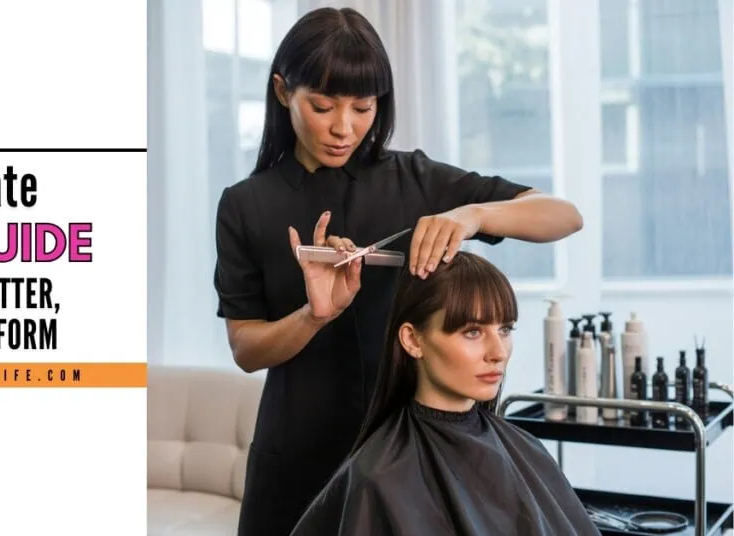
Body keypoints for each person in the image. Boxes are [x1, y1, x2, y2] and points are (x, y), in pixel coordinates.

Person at [212, 7, 583, 536]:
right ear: (281, 92)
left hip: (406, 463)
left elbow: (563, 215)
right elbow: (246, 349)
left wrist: (473, 214)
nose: (344, 127)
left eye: (363, 108)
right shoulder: (246, 206)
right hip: (295, 459)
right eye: (322, 106)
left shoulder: (415, 180)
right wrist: (313, 317)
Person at [288, 252, 601, 535]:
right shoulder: (379, 476)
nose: (498, 352)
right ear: (412, 340)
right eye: (472, 332)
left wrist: (473, 215)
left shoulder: (527, 449)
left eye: (504, 329)